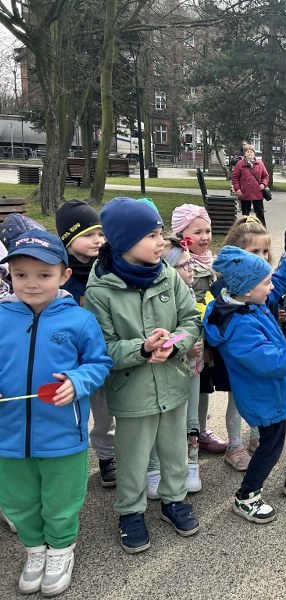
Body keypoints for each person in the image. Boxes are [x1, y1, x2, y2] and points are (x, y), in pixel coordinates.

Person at [83, 197, 201, 554]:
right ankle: (130, 511)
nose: (161, 242)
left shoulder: (167, 275)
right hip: (132, 390)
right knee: (132, 456)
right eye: (151, 235)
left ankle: (174, 500)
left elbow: (190, 320)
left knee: (174, 449)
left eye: (161, 233)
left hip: (173, 381)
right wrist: (143, 349)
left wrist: (174, 346)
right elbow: (103, 348)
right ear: (124, 241)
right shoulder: (100, 290)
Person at [0, 230, 112, 596]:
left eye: (43, 274)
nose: (31, 283)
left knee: (61, 500)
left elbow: (99, 363)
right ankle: (35, 550)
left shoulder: (79, 320)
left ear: (64, 276)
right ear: (10, 275)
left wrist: (78, 381)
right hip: (7, 436)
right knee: (17, 499)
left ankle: (61, 550)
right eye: (21, 274)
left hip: (63, 433)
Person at [204, 245, 286, 523]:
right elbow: (271, 362)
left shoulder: (250, 300)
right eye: (266, 283)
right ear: (248, 289)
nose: (272, 287)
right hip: (265, 396)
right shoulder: (239, 326)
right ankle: (246, 496)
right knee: (271, 446)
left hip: (282, 390)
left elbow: (279, 281)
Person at [55, 200, 117, 488]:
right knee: (76, 414)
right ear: (68, 240)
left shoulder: (107, 267)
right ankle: (73, 459)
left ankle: (108, 456)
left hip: (102, 355)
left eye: (101, 233)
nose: (97, 240)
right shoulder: (57, 276)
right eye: (88, 234)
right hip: (71, 359)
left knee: (106, 414)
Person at [209, 216, 276, 467]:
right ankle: (234, 446)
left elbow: (270, 308)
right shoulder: (224, 287)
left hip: (260, 351)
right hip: (236, 357)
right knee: (237, 401)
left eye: (265, 251)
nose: (262, 256)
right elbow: (217, 320)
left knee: (257, 396)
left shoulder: (264, 281)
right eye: (254, 251)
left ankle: (256, 436)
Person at [145, 237, 206, 496]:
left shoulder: (190, 292)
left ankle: (191, 464)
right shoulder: (158, 296)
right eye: (183, 265)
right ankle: (154, 468)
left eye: (191, 262)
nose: (191, 268)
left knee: (191, 419)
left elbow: (192, 323)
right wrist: (183, 345)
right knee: (160, 422)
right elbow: (159, 332)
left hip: (193, 368)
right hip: (167, 368)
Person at [170, 204, 228, 455]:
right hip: (190, 344)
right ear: (181, 235)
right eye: (197, 232)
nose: (205, 237)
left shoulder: (211, 262)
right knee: (187, 392)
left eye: (208, 231)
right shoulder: (179, 268)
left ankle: (199, 430)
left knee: (204, 388)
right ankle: (183, 435)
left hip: (207, 341)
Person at [231, 144, 270, 225]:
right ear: (245, 154)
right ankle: (245, 229)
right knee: (245, 215)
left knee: (260, 214)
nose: (249, 153)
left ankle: (262, 229)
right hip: (244, 193)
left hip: (257, 193)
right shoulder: (240, 164)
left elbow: (265, 176)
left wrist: (263, 184)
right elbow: (235, 177)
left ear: (254, 154)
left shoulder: (260, 164)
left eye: (251, 152)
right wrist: (237, 189)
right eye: (247, 152)